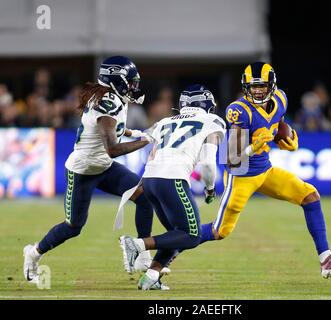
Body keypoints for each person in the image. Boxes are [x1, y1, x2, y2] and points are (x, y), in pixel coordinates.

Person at [200, 62, 331, 279]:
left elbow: (278, 124)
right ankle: (165, 248)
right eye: (253, 86)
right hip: (241, 177)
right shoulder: (239, 110)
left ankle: (326, 259)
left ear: (271, 85)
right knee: (219, 232)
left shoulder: (280, 99)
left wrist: (287, 137)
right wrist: (252, 147)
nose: (256, 90)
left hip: (265, 171)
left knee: (310, 196)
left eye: (262, 86)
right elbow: (231, 158)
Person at [23, 56, 162, 283]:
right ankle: (33, 253)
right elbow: (112, 149)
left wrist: (135, 133)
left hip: (103, 167)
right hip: (84, 171)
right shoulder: (106, 103)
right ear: (116, 80)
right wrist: (146, 141)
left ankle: (141, 254)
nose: (133, 86)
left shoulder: (112, 97)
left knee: (144, 197)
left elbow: (115, 128)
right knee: (74, 226)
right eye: (129, 81)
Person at [119, 84, 226, 290]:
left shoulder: (165, 121)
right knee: (192, 235)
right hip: (173, 178)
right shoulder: (212, 121)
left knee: (175, 234)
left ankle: (150, 278)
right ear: (207, 105)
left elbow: (142, 136)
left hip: (149, 179)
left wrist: (122, 129)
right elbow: (207, 163)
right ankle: (137, 244)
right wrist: (210, 188)